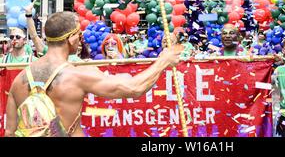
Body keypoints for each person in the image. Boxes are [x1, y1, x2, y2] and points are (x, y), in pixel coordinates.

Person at [5, 11, 183, 137]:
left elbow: (9, 132)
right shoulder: (77, 76)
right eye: (79, 34)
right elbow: (134, 89)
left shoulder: (19, 80)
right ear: (72, 38)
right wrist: (164, 61)